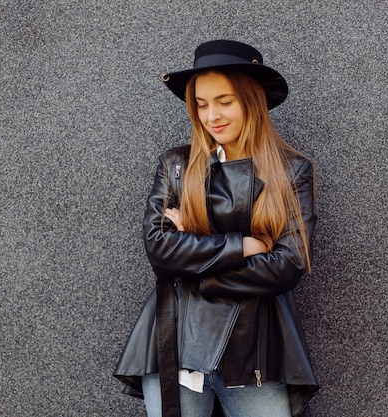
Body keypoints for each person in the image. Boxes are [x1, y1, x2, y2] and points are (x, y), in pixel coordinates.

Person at [114, 39, 319, 417]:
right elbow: (160, 250)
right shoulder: (177, 165)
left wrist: (198, 274)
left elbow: (288, 265)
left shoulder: (292, 172)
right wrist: (246, 246)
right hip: (175, 342)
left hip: (255, 349)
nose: (212, 116)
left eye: (225, 101)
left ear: (251, 100)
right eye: (202, 104)